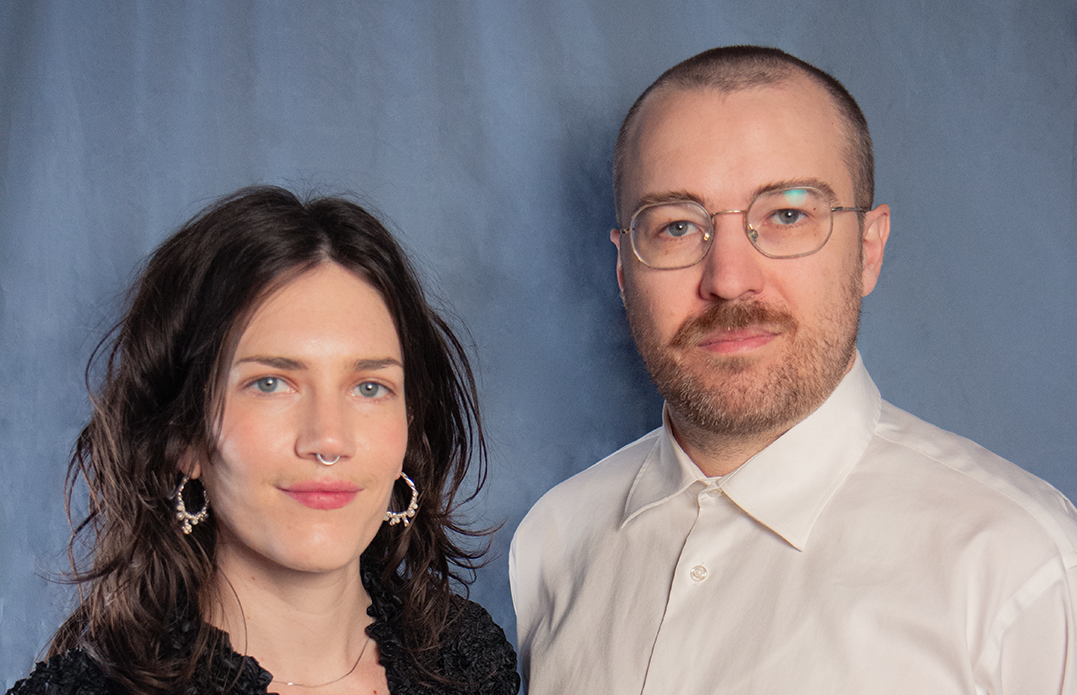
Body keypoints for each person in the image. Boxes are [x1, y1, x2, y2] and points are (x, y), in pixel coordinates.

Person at [510, 45, 1077, 694]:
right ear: (622, 270)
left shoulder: (1023, 565)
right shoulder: (554, 540)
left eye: (785, 215)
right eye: (674, 227)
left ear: (867, 250)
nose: (728, 280)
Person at [8, 187, 519, 695]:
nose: (328, 440)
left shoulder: (467, 663)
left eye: (369, 387)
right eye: (271, 383)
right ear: (182, 433)